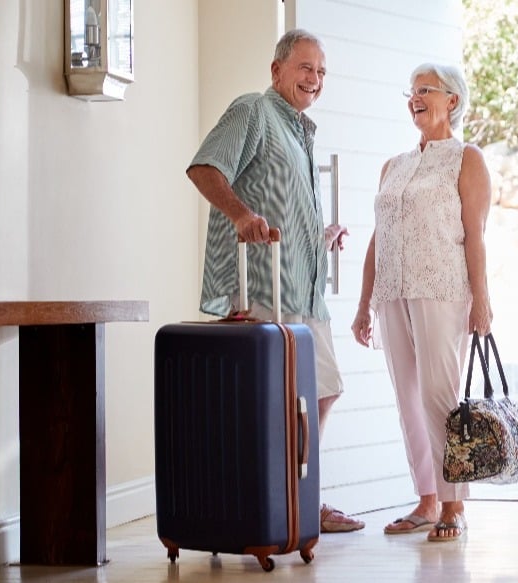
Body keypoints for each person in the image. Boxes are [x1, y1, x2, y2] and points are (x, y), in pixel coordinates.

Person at [186, 28, 364, 534]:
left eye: (322, 72)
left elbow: (283, 202)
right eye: (306, 68)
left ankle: (299, 496)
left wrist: (320, 235)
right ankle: (277, 503)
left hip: (305, 292)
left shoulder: (301, 132)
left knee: (322, 393)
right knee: (277, 402)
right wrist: (241, 215)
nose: (315, 79)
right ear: (277, 70)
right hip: (265, 290)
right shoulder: (254, 112)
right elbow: (205, 168)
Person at [350, 63, 493, 542]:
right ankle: (427, 501)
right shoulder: (394, 166)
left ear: (451, 100)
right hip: (393, 292)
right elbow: (378, 238)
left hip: (442, 289)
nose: (414, 98)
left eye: (424, 91)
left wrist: (483, 302)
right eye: (410, 92)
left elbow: (475, 236)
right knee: (407, 399)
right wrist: (363, 301)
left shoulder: (466, 159)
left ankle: (454, 503)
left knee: (439, 397)